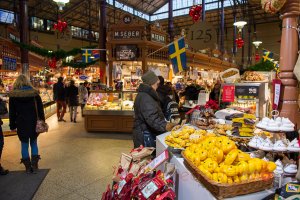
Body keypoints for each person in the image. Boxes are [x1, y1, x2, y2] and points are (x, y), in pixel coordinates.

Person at [8, 75, 45, 173]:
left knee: (24, 144)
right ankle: (35, 166)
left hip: (21, 123)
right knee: (34, 142)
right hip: (34, 123)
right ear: (28, 82)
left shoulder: (13, 96)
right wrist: (42, 121)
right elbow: (40, 110)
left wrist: (12, 125)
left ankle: (28, 168)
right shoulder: (35, 94)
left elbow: (11, 112)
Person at [133, 71, 176, 148]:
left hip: (143, 132)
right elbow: (152, 118)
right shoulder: (146, 97)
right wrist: (166, 126)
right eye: (157, 83)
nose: (158, 85)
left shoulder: (145, 94)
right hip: (145, 135)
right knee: (146, 157)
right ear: (152, 83)